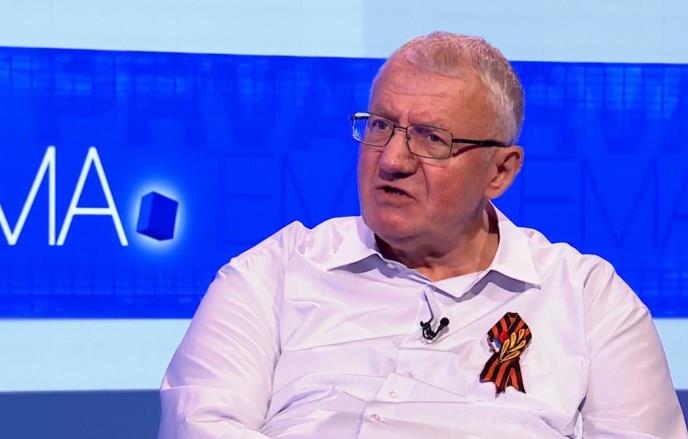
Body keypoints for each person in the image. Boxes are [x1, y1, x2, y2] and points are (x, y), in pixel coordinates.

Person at [158, 31, 687, 438]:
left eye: (431, 138)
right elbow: (199, 424)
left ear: (500, 172)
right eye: (380, 126)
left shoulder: (590, 301)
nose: (392, 159)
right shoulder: (273, 273)